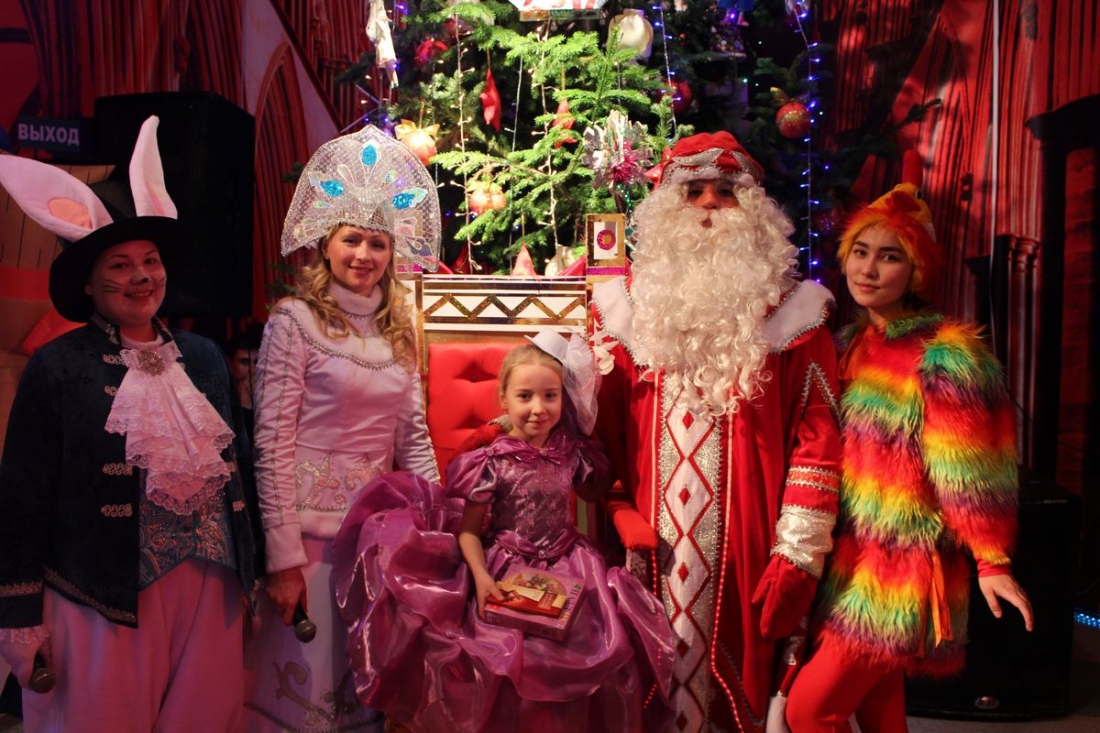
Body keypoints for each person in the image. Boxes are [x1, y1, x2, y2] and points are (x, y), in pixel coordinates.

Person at [0, 116, 260, 732]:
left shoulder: (204, 358)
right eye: (119, 265)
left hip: (213, 592)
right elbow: (22, 496)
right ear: (89, 284)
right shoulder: (57, 366)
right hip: (100, 597)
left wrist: (259, 573)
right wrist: (18, 614)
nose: (142, 277)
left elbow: (240, 470)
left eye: (150, 260)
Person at [589, 131, 843, 732]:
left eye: (725, 191)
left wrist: (799, 550)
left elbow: (819, 440)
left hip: (749, 548)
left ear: (752, 209)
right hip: (646, 543)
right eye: (693, 190)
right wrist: (616, 510)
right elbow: (597, 436)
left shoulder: (798, 314)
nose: (708, 203)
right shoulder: (620, 309)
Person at [784, 170, 1034, 733]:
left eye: (890, 256)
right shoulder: (846, 345)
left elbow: (974, 472)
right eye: (861, 252)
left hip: (902, 570)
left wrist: (992, 560)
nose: (868, 269)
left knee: (809, 711)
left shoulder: (945, 355)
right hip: (850, 560)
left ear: (916, 269)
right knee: (879, 712)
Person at [331, 332, 676, 732]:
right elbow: (469, 532)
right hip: (504, 563)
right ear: (504, 399)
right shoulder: (490, 461)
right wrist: (481, 578)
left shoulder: (572, 452)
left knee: (594, 641)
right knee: (503, 652)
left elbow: (595, 489)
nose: (538, 408)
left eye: (550, 396)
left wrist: (591, 425)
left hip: (570, 560)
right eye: (525, 396)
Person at [244, 125, 441, 732]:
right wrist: (281, 559)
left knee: (360, 699)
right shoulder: (294, 321)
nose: (364, 255)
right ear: (326, 245)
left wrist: (439, 527)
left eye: (377, 243)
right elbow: (271, 444)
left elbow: (413, 441)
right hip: (305, 544)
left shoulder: (401, 330)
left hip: (373, 544)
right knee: (298, 704)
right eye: (351, 239)